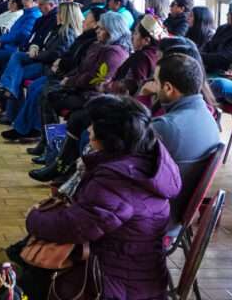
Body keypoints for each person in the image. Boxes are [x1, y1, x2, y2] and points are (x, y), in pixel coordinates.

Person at [18, 95, 181, 299]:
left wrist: (33, 218)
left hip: (116, 284)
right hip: (139, 275)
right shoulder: (147, 160)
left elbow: (76, 227)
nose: (88, 130)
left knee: (31, 280)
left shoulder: (118, 178)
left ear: (111, 137)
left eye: (92, 126)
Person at [29, 11, 131, 182]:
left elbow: (96, 79)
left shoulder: (115, 52)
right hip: (82, 90)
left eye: (102, 29)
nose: (98, 31)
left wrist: (70, 82)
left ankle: (56, 158)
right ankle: (50, 148)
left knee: (55, 101)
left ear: (114, 31)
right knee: (48, 94)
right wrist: (67, 79)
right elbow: (83, 68)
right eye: (98, 28)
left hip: (95, 95)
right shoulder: (98, 45)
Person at [11, 8, 105, 150]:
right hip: (63, 74)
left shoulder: (90, 41)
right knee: (34, 87)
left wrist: (61, 65)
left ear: (95, 23)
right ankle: (40, 138)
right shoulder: (82, 37)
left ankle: (47, 143)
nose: (83, 20)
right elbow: (67, 55)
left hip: (74, 83)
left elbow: (79, 64)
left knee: (43, 94)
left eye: (87, 19)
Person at [149, 54, 224, 219]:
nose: (153, 86)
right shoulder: (207, 115)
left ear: (168, 88)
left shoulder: (167, 126)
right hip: (176, 211)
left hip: (154, 218)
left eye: (155, 81)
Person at [0, 1, 81, 134]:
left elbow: (53, 55)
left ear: (66, 15)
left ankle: (18, 120)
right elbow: (40, 41)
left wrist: (36, 55)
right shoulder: (57, 28)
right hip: (43, 61)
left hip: (48, 67)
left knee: (16, 77)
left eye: (59, 12)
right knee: (16, 61)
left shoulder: (66, 33)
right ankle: (16, 115)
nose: (56, 14)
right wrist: (35, 47)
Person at [105, 14, 164, 97]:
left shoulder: (142, 57)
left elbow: (134, 84)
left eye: (136, 33)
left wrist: (108, 86)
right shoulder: (157, 53)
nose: (133, 37)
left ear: (146, 40)